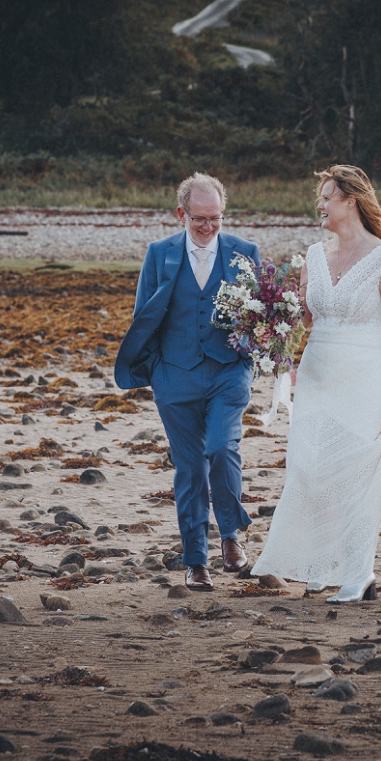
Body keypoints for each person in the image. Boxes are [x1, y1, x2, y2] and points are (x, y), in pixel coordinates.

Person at [251, 165, 381, 603]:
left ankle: (359, 573)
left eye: (327, 197)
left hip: (366, 374)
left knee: (356, 472)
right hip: (317, 373)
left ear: (349, 201)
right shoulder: (314, 255)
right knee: (310, 470)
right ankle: (320, 565)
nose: (320, 205)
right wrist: (270, 318)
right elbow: (305, 319)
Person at [114, 172, 260, 591]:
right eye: (199, 218)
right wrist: (157, 371)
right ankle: (197, 561)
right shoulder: (159, 254)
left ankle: (231, 533)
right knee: (191, 469)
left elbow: (260, 314)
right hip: (173, 376)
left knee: (221, 446)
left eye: (215, 217)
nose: (208, 226)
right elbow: (144, 315)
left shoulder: (243, 252)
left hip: (227, 371)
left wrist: (253, 351)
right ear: (182, 213)